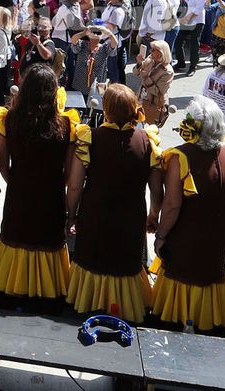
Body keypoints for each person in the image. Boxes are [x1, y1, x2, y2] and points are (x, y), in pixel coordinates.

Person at [151, 97, 225, 334]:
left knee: (173, 321)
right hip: (217, 240)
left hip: (185, 243)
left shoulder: (180, 157)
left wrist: (161, 236)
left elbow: (172, 205)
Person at [65, 84, 156, 319]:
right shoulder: (148, 141)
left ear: (106, 110)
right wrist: (153, 215)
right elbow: (157, 190)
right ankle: (123, 309)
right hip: (131, 218)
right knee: (125, 263)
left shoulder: (90, 137)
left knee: (93, 260)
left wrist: (71, 215)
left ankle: (90, 305)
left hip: (96, 216)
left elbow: (75, 185)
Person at [0, 61, 75, 303]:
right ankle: (45, 291)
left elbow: (2, 161)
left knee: (17, 234)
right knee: (47, 238)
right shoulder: (66, 124)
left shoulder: (9, 120)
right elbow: (69, 170)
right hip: (51, 192)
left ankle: (14, 290)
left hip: (20, 191)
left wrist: (14, 180)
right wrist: (57, 183)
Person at [136, 39, 174, 126]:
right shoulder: (150, 60)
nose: (150, 51)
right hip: (141, 98)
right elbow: (136, 72)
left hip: (153, 104)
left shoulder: (168, 71)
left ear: (161, 53)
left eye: (153, 50)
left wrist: (146, 78)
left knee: (148, 129)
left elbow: (158, 92)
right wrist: (139, 63)